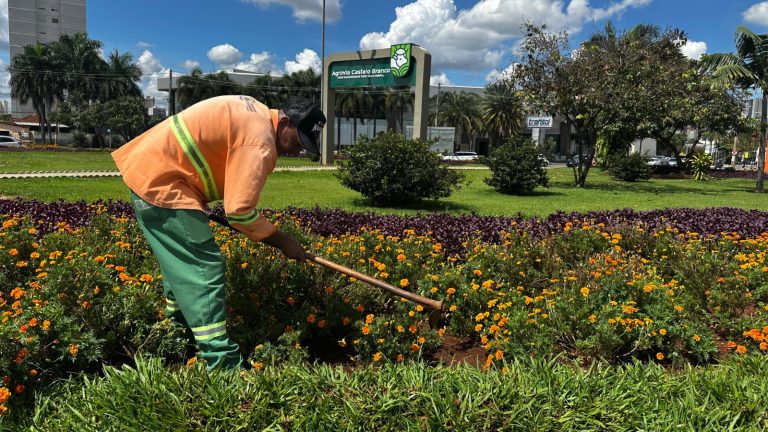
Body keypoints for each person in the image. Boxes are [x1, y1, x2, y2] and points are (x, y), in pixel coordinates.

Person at [112, 95, 326, 370]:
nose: (295, 151)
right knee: (203, 266)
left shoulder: (255, 112)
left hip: (155, 171)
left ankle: (175, 338)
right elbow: (239, 211)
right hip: (164, 181)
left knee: (182, 269)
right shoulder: (259, 139)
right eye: (297, 142)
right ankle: (221, 363)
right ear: (283, 121)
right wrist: (283, 241)